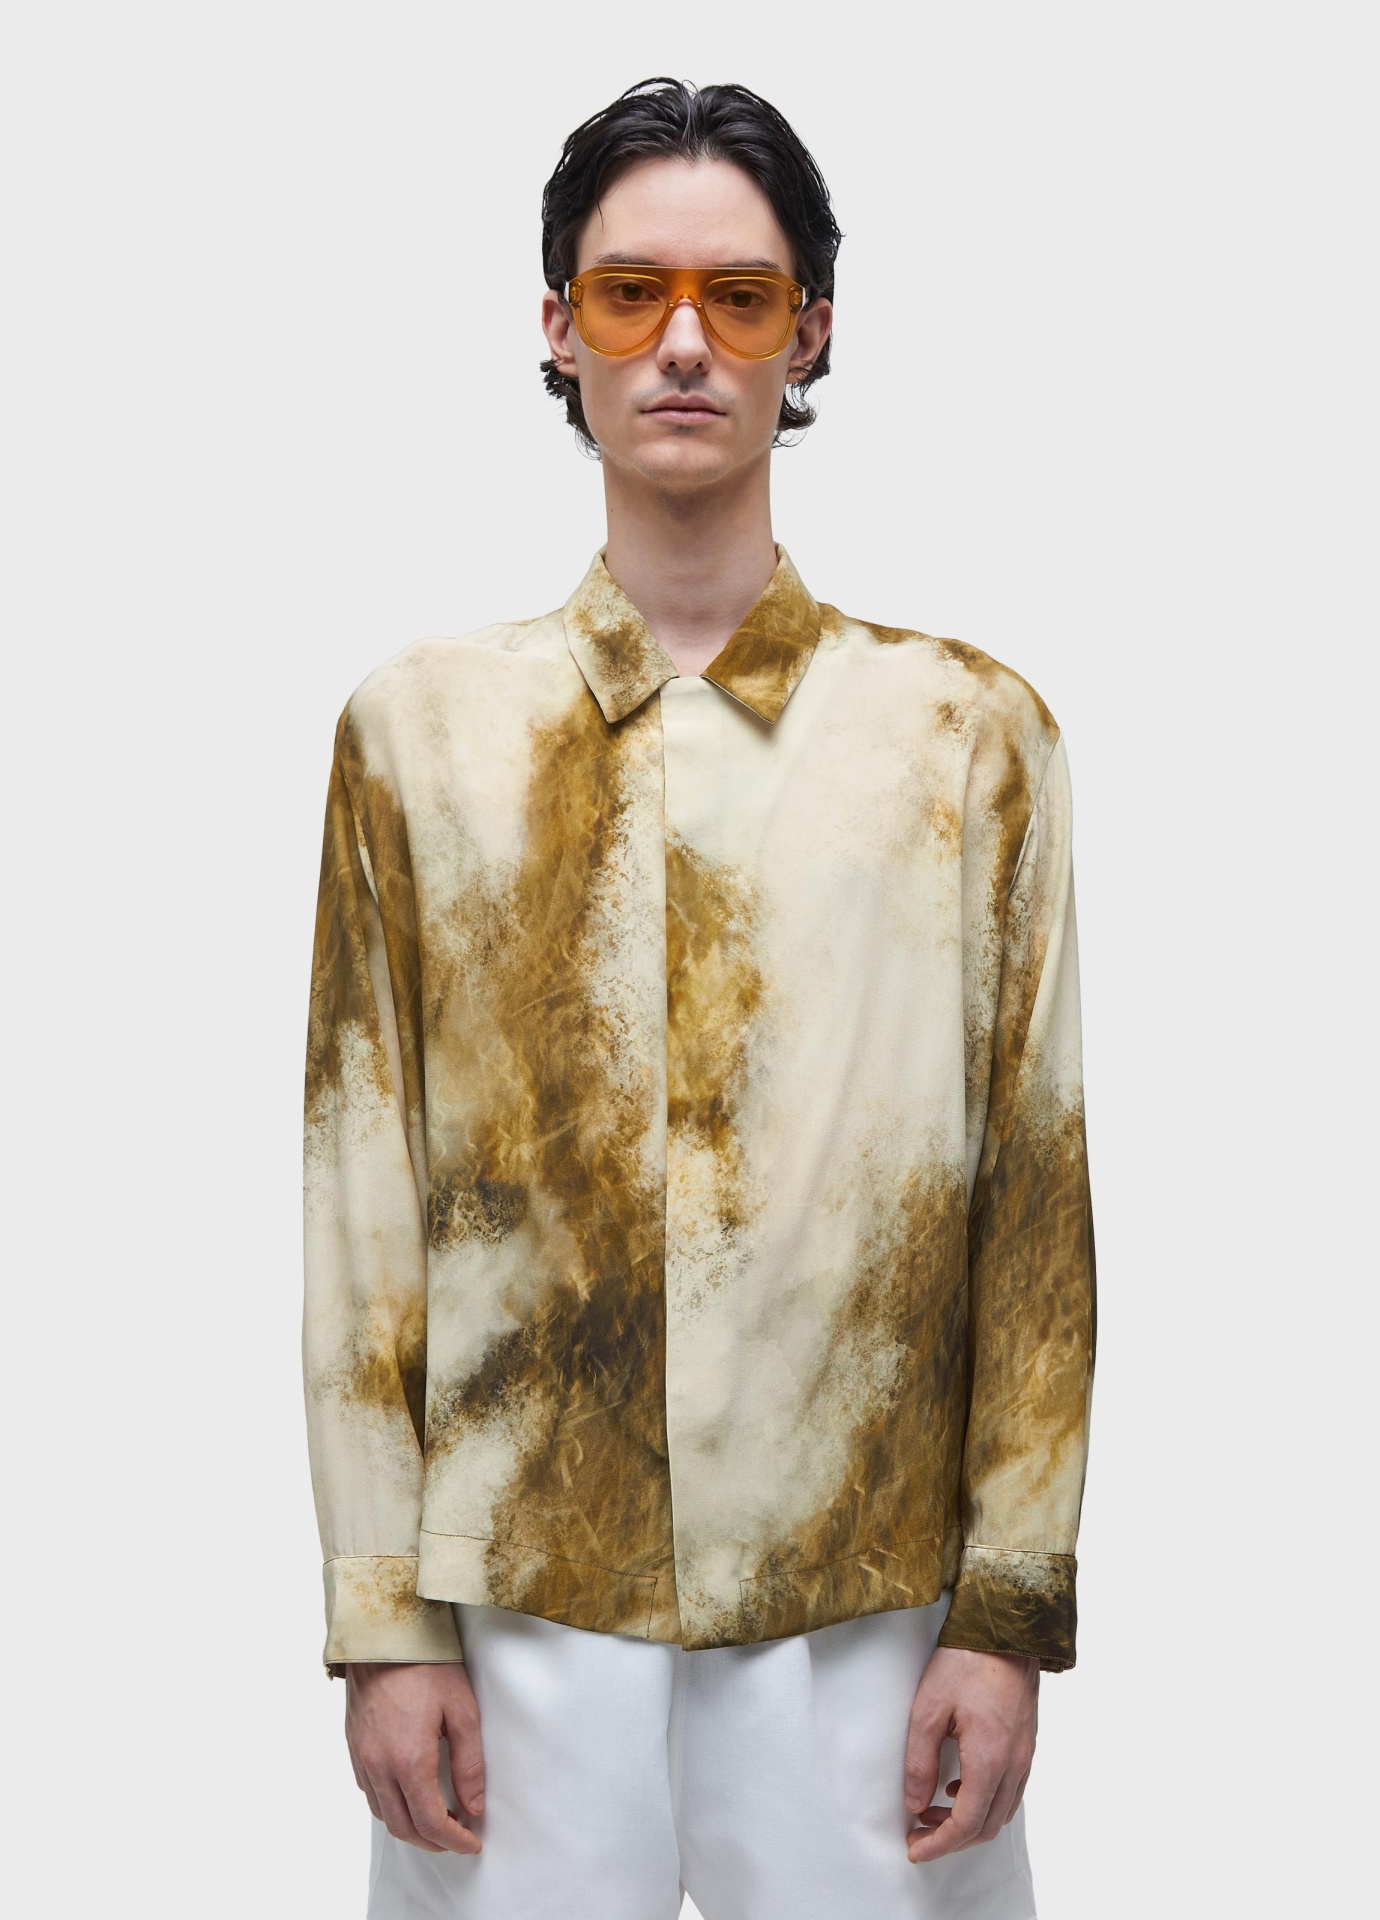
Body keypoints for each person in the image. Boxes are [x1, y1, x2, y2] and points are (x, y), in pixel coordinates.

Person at [303, 76, 1096, 1920]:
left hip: (866, 1603)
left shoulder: (967, 737)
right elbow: (361, 1204)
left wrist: (1008, 1612)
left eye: (738, 298)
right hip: (516, 1598)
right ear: (557, 328)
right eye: (628, 292)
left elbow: (1032, 1200)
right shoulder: (419, 735)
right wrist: (381, 1623)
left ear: (809, 332)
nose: (682, 343)